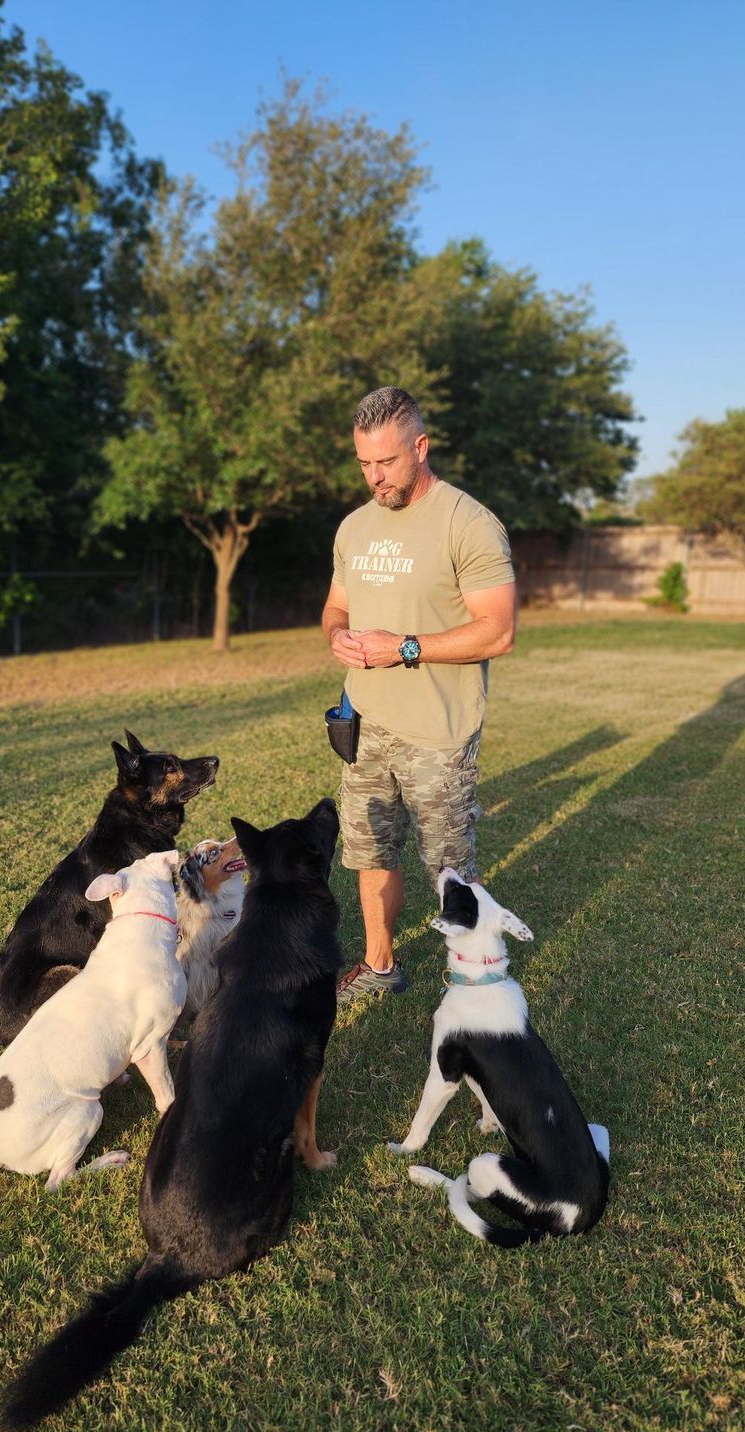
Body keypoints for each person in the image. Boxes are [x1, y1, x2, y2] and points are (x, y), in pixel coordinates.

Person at [321, 386, 517, 1001]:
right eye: (364, 464)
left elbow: (499, 630)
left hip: (438, 731)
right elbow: (336, 608)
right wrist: (338, 637)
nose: (376, 477)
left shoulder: (469, 523)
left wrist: (403, 646)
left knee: (449, 867)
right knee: (369, 849)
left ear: (421, 447)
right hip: (366, 720)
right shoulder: (354, 527)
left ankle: (477, 978)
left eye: (388, 462)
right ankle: (380, 966)